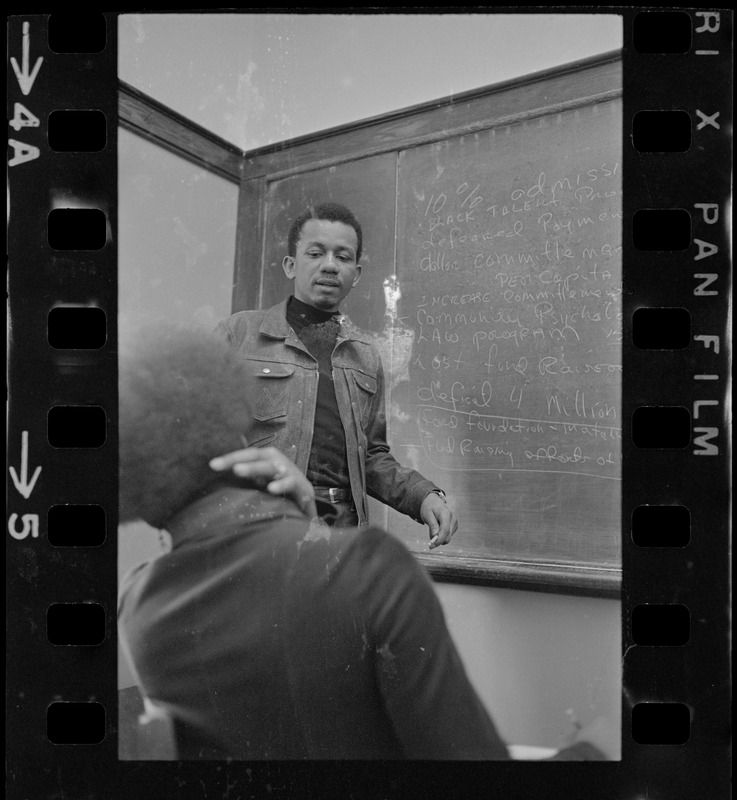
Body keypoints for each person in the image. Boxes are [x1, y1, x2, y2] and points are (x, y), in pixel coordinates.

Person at [117, 324, 613, 761]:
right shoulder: (370, 571)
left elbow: (369, 458)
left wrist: (308, 515)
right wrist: (596, 748)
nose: (330, 265)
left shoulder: (139, 607)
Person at [214, 202, 457, 545]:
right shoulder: (238, 334)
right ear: (290, 265)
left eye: (342, 257)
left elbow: (371, 456)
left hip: (342, 535)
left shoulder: (365, 357)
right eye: (315, 253)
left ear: (355, 275)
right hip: (259, 531)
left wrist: (423, 496)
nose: (329, 265)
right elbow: (199, 439)